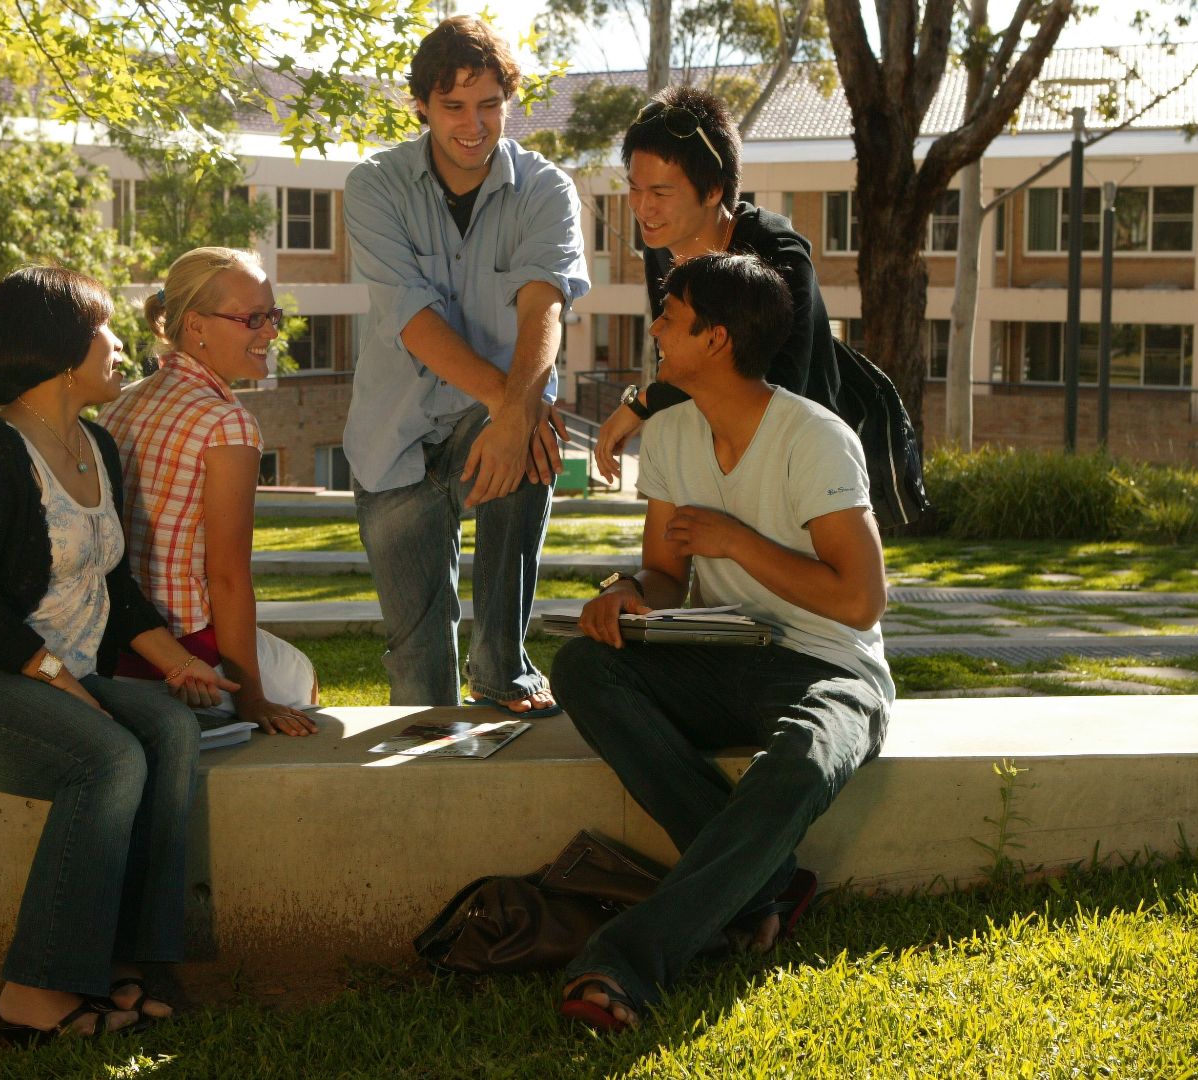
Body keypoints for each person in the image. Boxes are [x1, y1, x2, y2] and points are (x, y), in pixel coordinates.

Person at [0, 266, 238, 1045]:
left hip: (55, 677)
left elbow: (115, 583)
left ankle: (123, 960)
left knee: (171, 729)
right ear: (60, 348)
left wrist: (178, 662)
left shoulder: (97, 446)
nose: (119, 344)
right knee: (109, 758)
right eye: (104, 329)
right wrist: (51, 676)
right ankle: (34, 990)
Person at [551, 252, 892, 1033]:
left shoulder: (815, 439)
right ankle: (768, 878)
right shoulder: (670, 435)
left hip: (832, 668)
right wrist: (626, 596)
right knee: (584, 669)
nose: (656, 327)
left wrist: (738, 543)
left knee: (803, 757)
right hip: (724, 656)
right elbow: (666, 576)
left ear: (717, 339)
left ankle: (624, 964)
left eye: (671, 316)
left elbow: (859, 598)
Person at [342, 14, 590, 714]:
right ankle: (428, 790)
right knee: (420, 673)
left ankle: (504, 670)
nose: (473, 124)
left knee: (533, 440)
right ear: (421, 104)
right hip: (394, 439)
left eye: (489, 105)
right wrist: (514, 406)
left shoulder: (546, 189)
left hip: (489, 418)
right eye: (453, 106)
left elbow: (544, 306)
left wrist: (515, 417)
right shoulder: (375, 186)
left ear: (508, 101)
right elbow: (414, 320)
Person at [99, 248, 319, 736]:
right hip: (184, 652)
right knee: (300, 677)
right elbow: (227, 578)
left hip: (116, 643)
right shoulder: (228, 424)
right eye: (253, 318)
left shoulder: (123, 402)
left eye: (273, 315)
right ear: (195, 325)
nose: (271, 331)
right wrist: (253, 698)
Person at [592, 85, 839, 482]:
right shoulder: (661, 243)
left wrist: (643, 403)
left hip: (800, 462)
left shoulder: (776, 251)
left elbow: (779, 386)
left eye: (660, 192)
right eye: (634, 189)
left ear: (712, 190)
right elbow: (675, 360)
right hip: (710, 456)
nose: (642, 208)